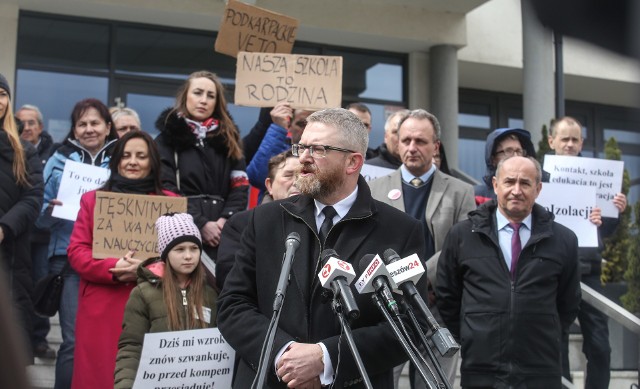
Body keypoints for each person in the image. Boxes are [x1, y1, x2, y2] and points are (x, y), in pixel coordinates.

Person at [217, 108, 427, 388]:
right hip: (271, 379)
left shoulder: (400, 230)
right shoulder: (264, 220)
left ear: (352, 162)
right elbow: (233, 305)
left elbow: (410, 325)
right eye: (301, 147)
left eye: (317, 149)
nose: (302, 157)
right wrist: (283, 353)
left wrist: (326, 358)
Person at [437, 156, 581, 388]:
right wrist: (472, 332)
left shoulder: (564, 240)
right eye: (509, 182)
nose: (516, 190)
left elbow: (569, 301)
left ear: (538, 188)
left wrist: (545, 329)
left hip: (540, 369)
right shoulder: (462, 235)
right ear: (495, 185)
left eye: (525, 183)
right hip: (482, 367)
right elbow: (447, 294)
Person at [369, 109, 475, 388]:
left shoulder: (460, 191)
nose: (411, 147)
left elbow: (461, 244)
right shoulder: (375, 189)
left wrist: (420, 274)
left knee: (435, 383)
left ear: (435, 146)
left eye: (420, 141)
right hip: (389, 308)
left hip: (438, 304)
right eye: (405, 140)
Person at [66, 130, 178, 389]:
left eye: (141, 156)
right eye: (126, 155)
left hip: (153, 305)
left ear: (152, 161)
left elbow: (182, 253)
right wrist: (112, 267)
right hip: (101, 306)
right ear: (116, 160)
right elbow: (77, 251)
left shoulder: (170, 203)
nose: (132, 162)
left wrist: (145, 269)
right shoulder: (92, 200)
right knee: (98, 376)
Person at [37, 98, 118, 389]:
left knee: (109, 339)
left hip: (111, 259)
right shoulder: (58, 159)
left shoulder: (122, 160)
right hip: (67, 257)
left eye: (95, 122)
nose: (89, 129)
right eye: (82, 124)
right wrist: (49, 210)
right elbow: (38, 219)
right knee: (71, 340)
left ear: (108, 127)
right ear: (73, 129)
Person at [548, 116, 627, 389]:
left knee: (600, 346)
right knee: (557, 344)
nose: (569, 144)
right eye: (564, 139)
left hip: (589, 271)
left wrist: (615, 211)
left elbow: (605, 232)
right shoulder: (541, 177)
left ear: (582, 142)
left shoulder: (598, 177)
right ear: (551, 142)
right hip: (553, 271)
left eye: (574, 139)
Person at [114, 212, 218, 389]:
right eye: (180, 249)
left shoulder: (211, 294)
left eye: (194, 248)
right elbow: (131, 347)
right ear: (166, 253)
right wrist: (125, 385)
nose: (188, 256)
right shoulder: (143, 293)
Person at [155, 70, 249, 264]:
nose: (204, 100)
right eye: (198, 93)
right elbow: (165, 187)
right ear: (185, 96)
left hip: (223, 234)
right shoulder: (166, 139)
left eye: (210, 95)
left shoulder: (231, 139)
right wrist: (201, 223)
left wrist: (224, 222)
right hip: (180, 232)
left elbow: (240, 187)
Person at [0, 73, 44, 364]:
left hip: (11, 257)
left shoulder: (24, 150)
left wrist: (4, 228)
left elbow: (33, 197)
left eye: (2, 93)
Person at [216, 150, 301, 289]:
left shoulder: (321, 222)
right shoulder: (241, 224)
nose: (297, 182)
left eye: (302, 175)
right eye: (288, 175)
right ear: (269, 185)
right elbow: (229, 280)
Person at [15, 104, 58, 359]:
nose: (27, 127)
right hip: (17, 233)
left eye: (32, 123)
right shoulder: (10, 149)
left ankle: (39, 339)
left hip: (42, 235)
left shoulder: (54, 153)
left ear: (41, 127)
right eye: (22, 122)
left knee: (40, 284)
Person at [246, 102, 313, 194]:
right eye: (301, 124)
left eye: (313, 125)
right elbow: (257, 178)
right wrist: (278, 128)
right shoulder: (278, 145)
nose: (306, 130)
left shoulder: (328, 152)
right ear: (289, 126)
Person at [474, 128, 537, 205]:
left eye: (518, 151)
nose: (515, 156)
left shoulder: (534, 194)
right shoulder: (477, 196)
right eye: (508, 151)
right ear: (493, 159)